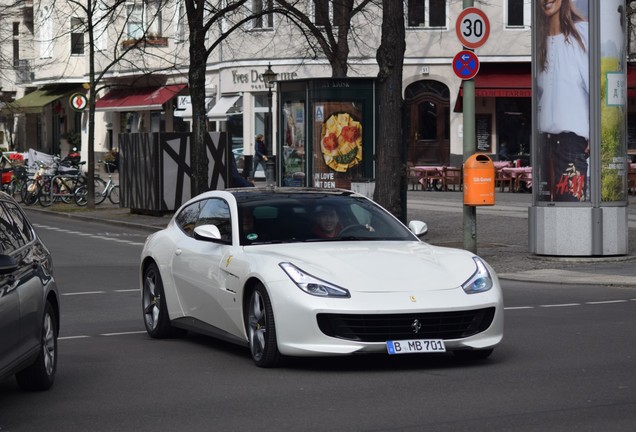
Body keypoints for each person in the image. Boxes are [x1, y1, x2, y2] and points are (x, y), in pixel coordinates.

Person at [536, 0, 589, 202]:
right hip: (543, 142)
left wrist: (595, 131)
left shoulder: (582, 34)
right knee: (550, 212)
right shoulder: (539, 41)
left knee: (571, 208)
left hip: (571, 141)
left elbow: (597, 87)